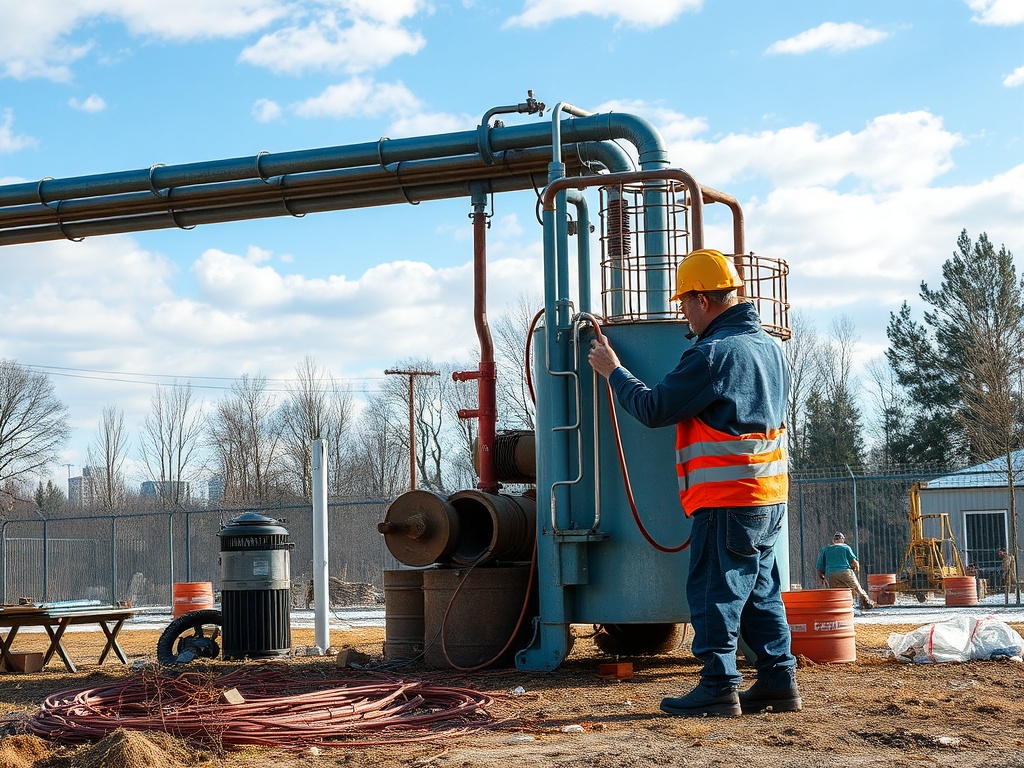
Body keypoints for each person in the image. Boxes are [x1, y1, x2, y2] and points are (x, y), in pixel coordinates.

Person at [588, 248, 799, 718]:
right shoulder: (770, 348)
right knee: (760, 591)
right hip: (768, 495)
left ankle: (718, 686)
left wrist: (613, 371)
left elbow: (653, 409)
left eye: (685, 301)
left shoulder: (711, 354)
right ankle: (778, 680)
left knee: (714, 591)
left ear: (704, 300)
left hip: (725, 496)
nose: (683, 311)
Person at [816, 532, 874, 610]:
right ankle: (867, 603)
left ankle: (839, 607)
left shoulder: (826, 549)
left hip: (830, 574)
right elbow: (854, 562)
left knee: (836, 592)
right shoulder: (846, 547)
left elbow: (819, 566)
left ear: (833, 540)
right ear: (842, 540)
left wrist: (821, 575)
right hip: (844, 572)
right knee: (856, 588)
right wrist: (857, 568)